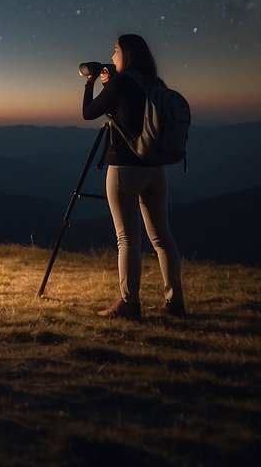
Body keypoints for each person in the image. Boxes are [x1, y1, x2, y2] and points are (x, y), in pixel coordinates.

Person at [82, 33, 186, 320]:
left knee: (127, 239)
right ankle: (175, 303)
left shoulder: (121, 83)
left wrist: (92, 83)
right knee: (163, 237)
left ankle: (129, 303)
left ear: (126, 54)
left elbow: (88, 113)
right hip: (156, 169)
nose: (112, 55)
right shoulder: (156, 84)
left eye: (115, 50)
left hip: (125, 169)